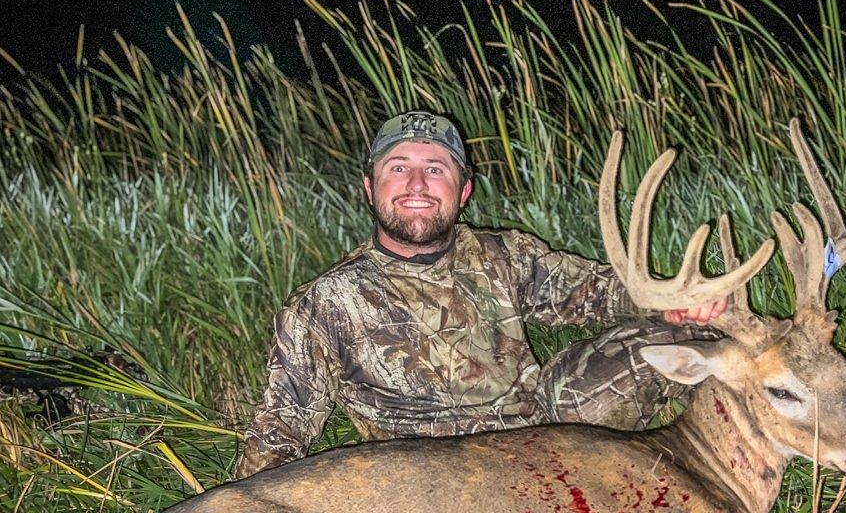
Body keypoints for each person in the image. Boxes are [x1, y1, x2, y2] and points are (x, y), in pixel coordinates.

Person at [234, 111, 725, 478]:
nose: (418, 184)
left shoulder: (501, 253)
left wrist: (672, 304)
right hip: (432, 475)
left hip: (542, 431)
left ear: (463, 191)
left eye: (437, 169)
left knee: (687, 337)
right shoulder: (326, 302)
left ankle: (727, 463)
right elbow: (282, 426)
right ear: (370, 187)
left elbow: (597, 291)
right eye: (398, 168)